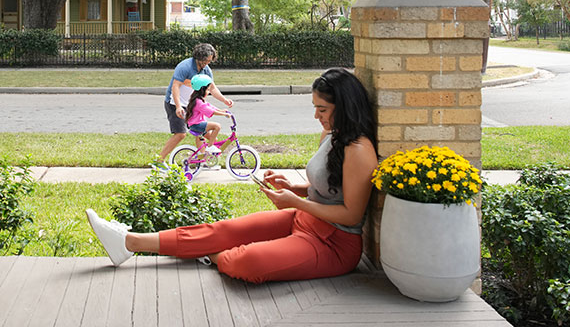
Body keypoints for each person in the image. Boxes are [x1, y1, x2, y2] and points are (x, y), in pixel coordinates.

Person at [86, 68, 379, 283]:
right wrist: (295, 187)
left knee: (245, 262)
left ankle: (211, 254)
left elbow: (351, 215)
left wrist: (294, 202)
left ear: (345, 107)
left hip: (334, 243)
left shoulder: (359, 149)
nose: (317, 116)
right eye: (315, 108)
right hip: (305, 220)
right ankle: (129, 242)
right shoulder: (331, 134)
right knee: (221, 231)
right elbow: (330, 189)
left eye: (323, 109)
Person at [158, 43, 233, 163]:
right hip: (175, 103)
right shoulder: (185, 67)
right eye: (205, 60)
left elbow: (212, 88)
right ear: (198, 56)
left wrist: (224, 100)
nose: (207, 63)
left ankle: (203, 160)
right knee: (180, 134)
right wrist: (178, 106)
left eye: (209, 60)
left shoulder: (206, 70)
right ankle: (159, 161)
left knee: (206, 134)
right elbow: (175, 86)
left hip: (191, 105)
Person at [185, 74, 230, 154]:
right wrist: (223, 114)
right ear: (202, 90)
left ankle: (205, 158)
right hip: (196, 125)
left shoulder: (199, 100)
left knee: (213, 139)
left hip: (196, 124)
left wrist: (221, 110)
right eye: (208, 90)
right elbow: (210, 111)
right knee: (217, 126)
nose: (209, 92)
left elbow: (210, 107)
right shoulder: (198, 102)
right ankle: (210, 147)